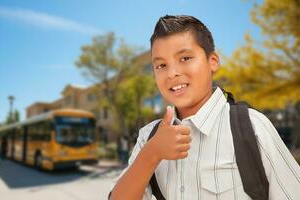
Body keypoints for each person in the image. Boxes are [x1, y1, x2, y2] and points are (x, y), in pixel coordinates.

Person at [110, 15, 300, 200]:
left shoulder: (253, 126)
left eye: (185, 58)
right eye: (161, 65)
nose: (172, 73)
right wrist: (152, 153)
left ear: (213, 62)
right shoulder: (149, 136)